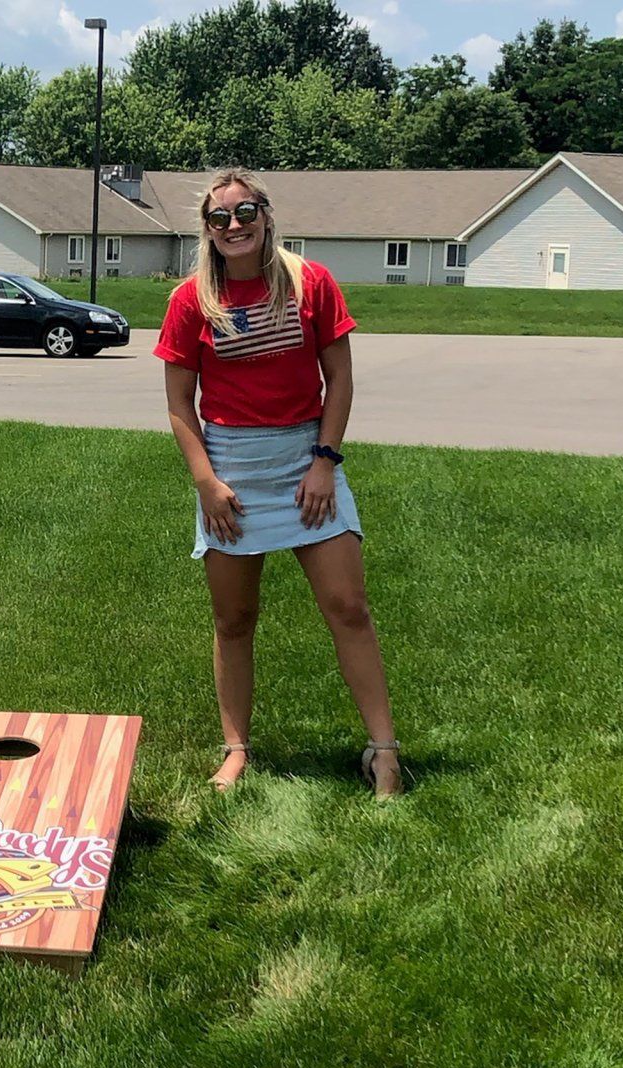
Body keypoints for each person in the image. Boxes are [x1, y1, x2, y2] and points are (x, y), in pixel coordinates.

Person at [154, 167, 406, 800]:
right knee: (233, 619)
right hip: (231, 468)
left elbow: (339, 380)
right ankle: (236, 749)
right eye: (220, 218)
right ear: (206, 230)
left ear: (266, 215)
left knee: (348, 607)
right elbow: (181, 407)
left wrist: (325, 460)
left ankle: (384, 752)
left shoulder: (310, 283)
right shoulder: (191, 301)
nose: (233, 225)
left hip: (305, 460)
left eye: (245, 213)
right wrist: (207, 483)